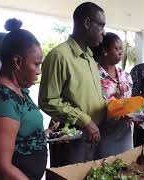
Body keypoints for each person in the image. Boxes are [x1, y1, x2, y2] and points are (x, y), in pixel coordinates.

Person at [39, 2, 107, 166]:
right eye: (101, 25)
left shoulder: (90, 58)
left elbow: (89, 96)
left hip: (93, 134)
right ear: (87, 23)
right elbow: (48, 100)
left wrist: (112, 109)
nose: (104, 33)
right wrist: (85, 121)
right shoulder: (59, 56)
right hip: (71, 136)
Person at [0, 18, 46, 180]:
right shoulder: (2, 100)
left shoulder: (18, 90)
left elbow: (19, 131)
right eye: (36, 64)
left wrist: (43, 135)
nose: (39, 71)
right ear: (17, 61)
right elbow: (1, 168)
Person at [92, 32, 133, 158]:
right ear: (104, 50)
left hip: (124, 131)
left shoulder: (125, 75)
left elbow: (130, 102)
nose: (121, 52)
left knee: (124, 166)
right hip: (101, 131)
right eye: (117, 48)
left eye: (122, 49)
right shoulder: (92, 74)